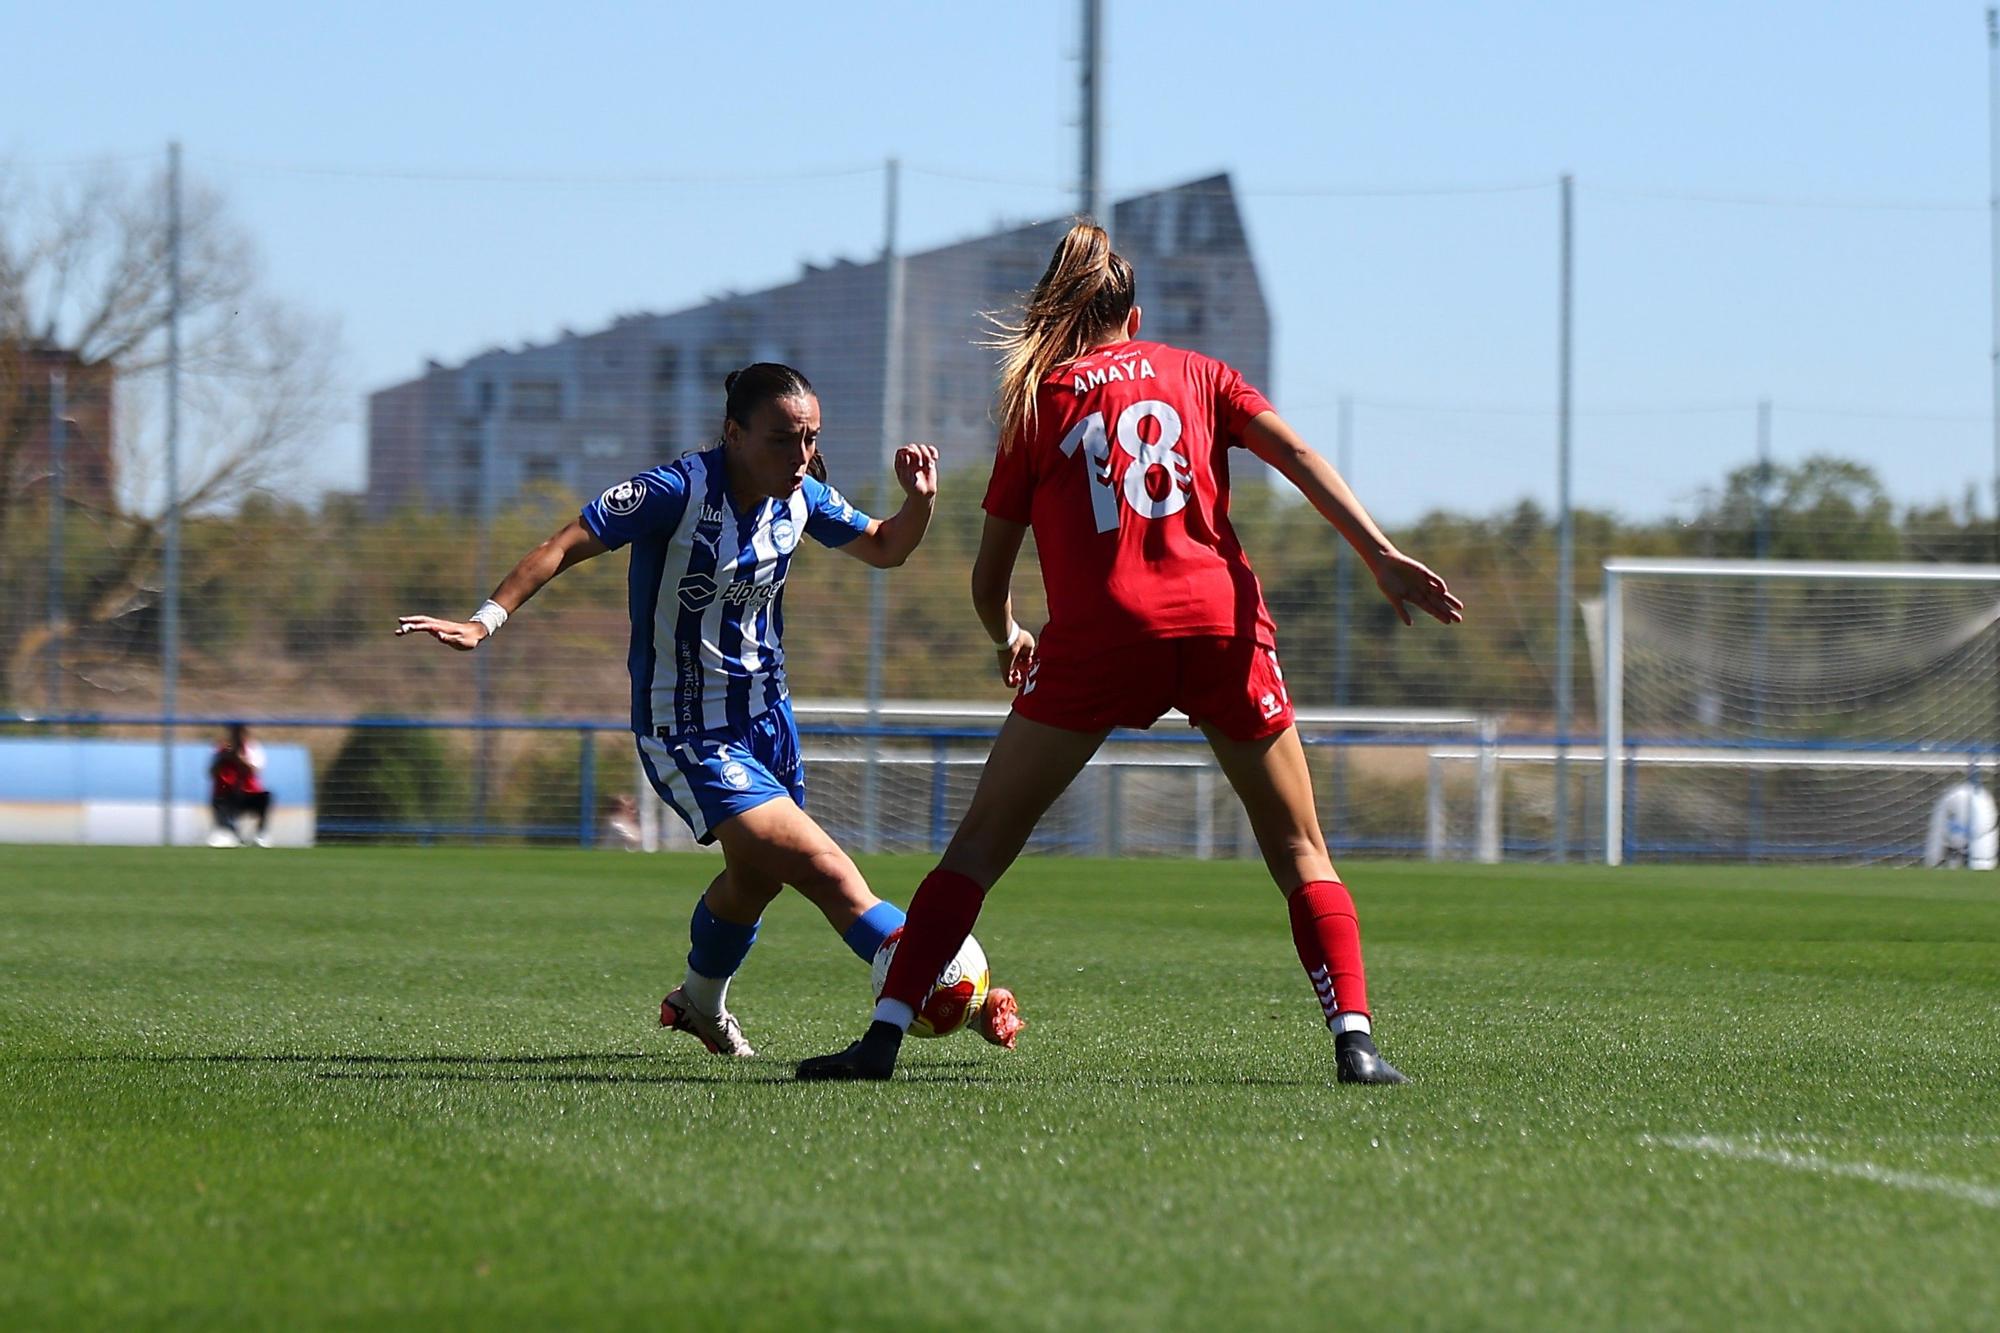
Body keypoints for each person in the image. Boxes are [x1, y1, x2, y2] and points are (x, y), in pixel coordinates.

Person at [798, 223, 1463, 1085]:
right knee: (1301, 850)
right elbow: (1294, 453)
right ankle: (1356, 1042)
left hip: (1102, 636)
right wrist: (1379, 553)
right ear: (1135, 316)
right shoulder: (1201, 372)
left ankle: (883, 1040)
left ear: (1061, 318)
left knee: (977, 849)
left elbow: (988, 573)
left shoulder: (1040, 400)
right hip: (1221, 626)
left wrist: (1010, 638)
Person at [397, 363, 1020, 1057]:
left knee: (753, 882)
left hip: (769, 722)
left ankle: (698, 1000)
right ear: (734, 433)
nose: (801, 455)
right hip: (689, 729)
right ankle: (957, 993)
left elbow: (885, 546)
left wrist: (920, 503)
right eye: (784, 439)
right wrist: (485, 620)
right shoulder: (675, 490)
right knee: (826, 870)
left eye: (811, 438)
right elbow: (566, 543)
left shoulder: (801, 495)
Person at [209, 723, 273, 848]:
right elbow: (211, 772)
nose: (236, 736)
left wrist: (240, 759)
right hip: (228, 794)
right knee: (221, 800)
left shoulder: (253, 748)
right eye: (234, 732)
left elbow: (256, 769)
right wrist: (223, 758)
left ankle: (261, 834)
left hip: (248, 793)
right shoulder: (221, 749)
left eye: (239, 732)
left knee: (266, 797)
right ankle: (227, 833)